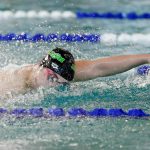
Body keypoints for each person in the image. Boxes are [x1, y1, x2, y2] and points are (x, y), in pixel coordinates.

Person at [0, 47, 150, 97]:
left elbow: (98, 67)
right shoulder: (14, 85)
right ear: (42, 68)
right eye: (53, 80)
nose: (56, 86)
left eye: (63, 84)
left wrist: (146, 58)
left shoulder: (61, 72)